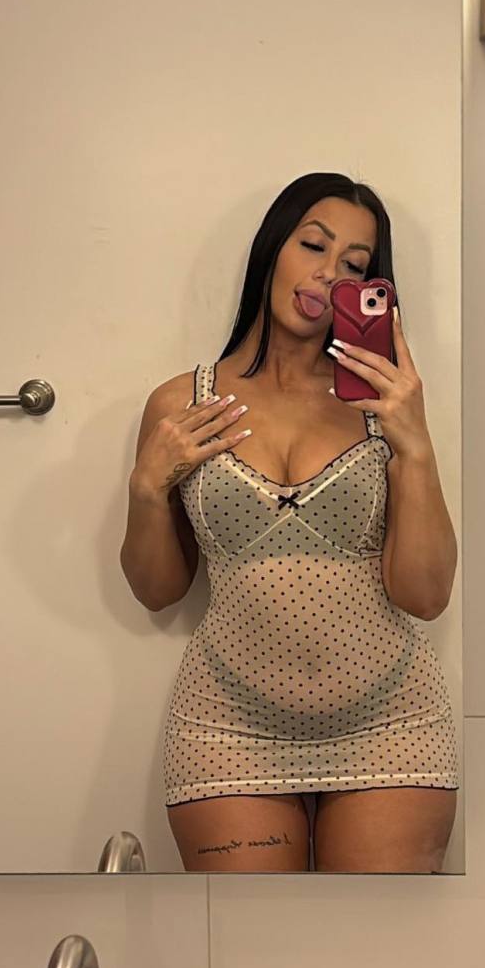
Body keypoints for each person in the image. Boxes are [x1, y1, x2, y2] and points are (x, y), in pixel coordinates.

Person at [120, 172, 459, 873]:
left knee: (374, 938)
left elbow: (425, 596)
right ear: (273, 248)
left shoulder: (384, 407)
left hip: (392, 726)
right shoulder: (181, 404)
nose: (329, 273)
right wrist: (148, 489)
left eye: (355, 265)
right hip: (225, 731)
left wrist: (415, 445)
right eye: (313, 245)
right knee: (245, 940)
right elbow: (158, 592)